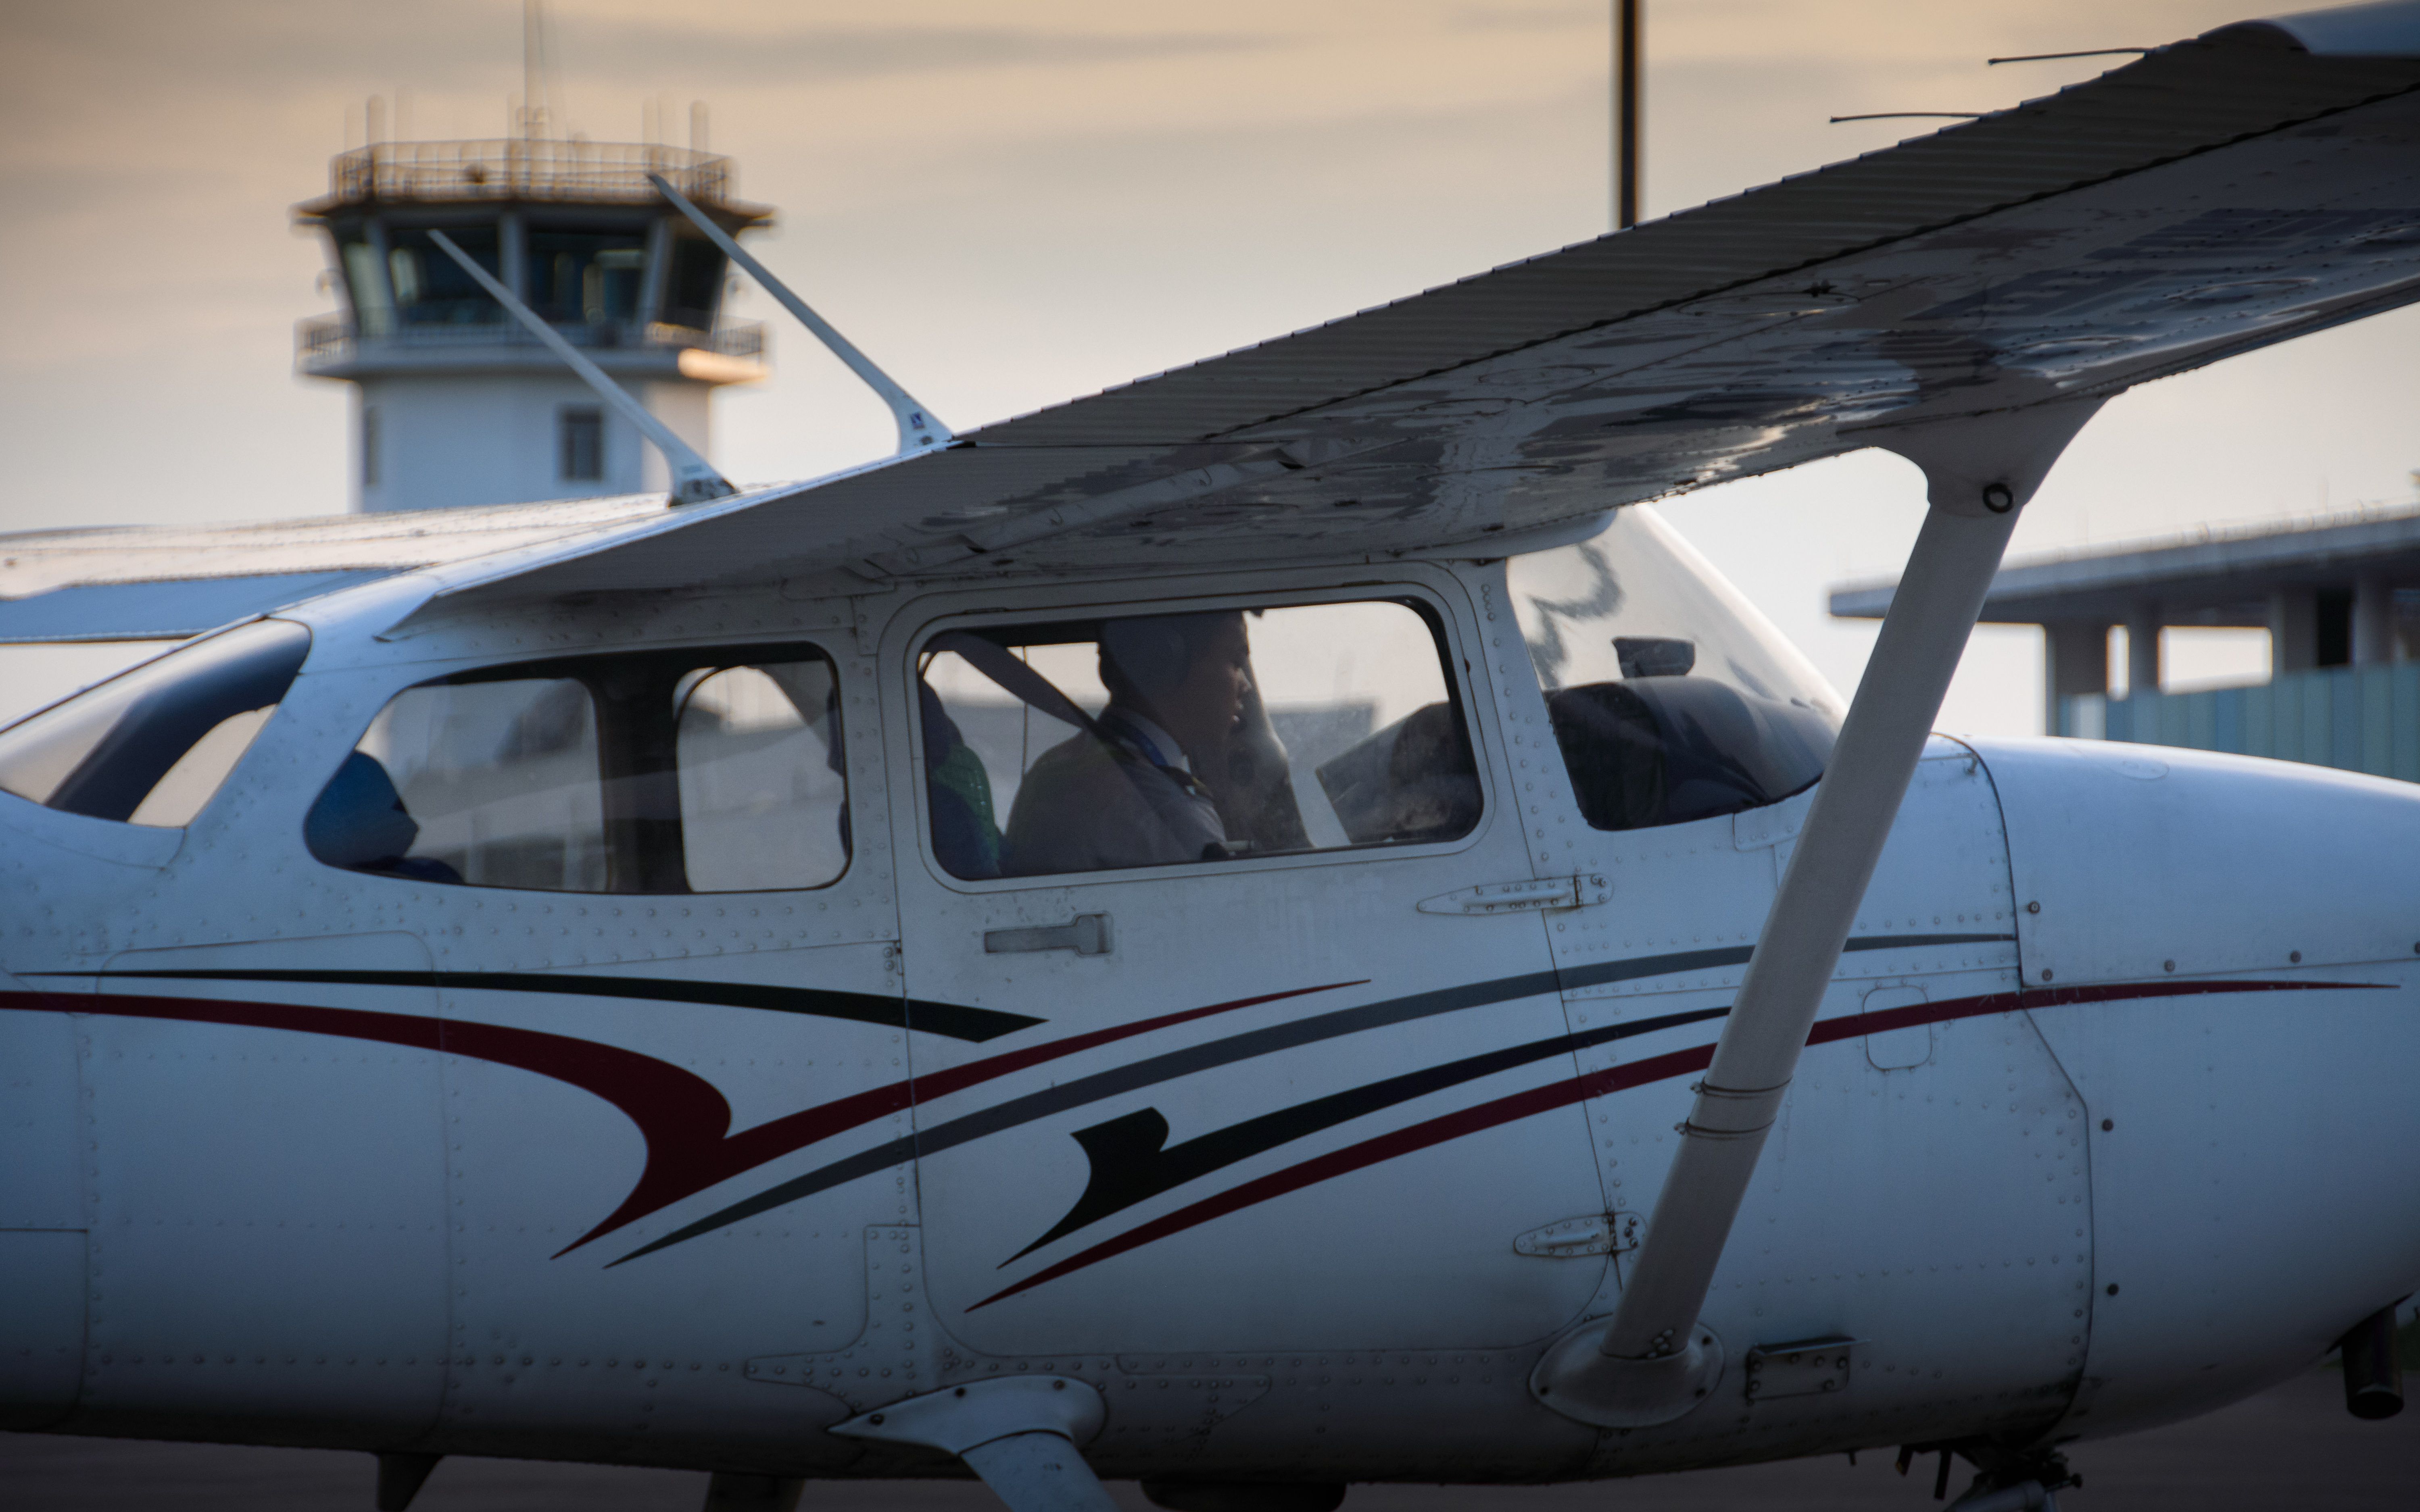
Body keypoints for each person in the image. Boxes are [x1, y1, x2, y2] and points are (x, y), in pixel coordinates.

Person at [1001, 612, 1251, 876]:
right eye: (1235, 661)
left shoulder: (1058, 764)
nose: (1245, 685)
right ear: (1165, 664)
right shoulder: (1165, 811)